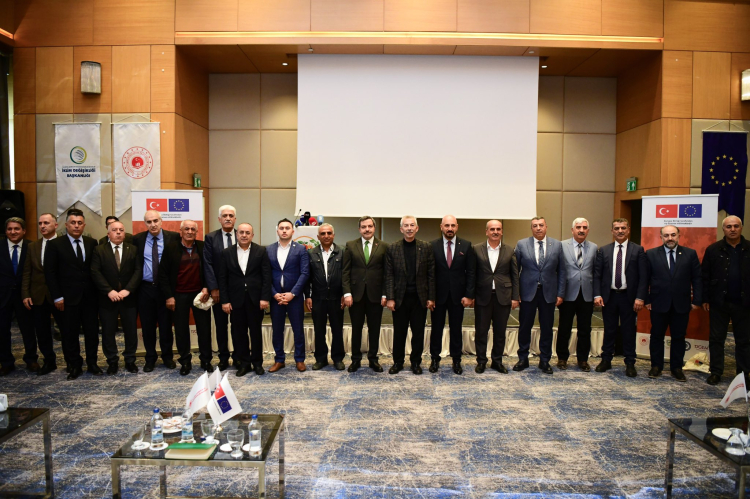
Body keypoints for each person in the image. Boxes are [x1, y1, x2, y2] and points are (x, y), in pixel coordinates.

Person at [44, 208, 100, 380]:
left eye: (79, 223)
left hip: (89, 298)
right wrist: (57, 296)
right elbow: (50, 273)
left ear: (84, 225)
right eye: (73, 223)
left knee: (92, 333)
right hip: (67, 299)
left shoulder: (92, 243)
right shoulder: (55, 245)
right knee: (69, 334)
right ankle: (74, 365)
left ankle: (92, 363)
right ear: (66, 225)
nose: (76, 226)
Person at [645, 225, 702, 382]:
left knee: (679, 337)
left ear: (678, 236)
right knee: (656, 336)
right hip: (658, 303)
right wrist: (646, 299)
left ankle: (676, 368)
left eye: (673, 235)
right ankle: (656, 366)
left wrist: (697, 300)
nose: (670, 238)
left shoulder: (690, 254)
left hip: (681, 303)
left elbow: (697, 278)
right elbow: (645, 278)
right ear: (661, 237)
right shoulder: (651, 254)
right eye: (666, 235)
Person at [593, 218, 647, 377]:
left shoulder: (638, 250)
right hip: (609, 297)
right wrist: (597, 294)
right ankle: (606, 360)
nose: (620, 231)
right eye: (616, 228)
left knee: (628, 331)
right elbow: (597, 275)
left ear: (628, 229)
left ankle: (630, 362)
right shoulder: (604, 250)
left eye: (623, 228)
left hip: (628, 298)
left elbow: (643, 277)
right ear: (612, 231)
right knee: (609, 330)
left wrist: (640, 297)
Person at [159, 219, 213, 375]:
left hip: (200, 295)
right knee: (181, 330)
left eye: (192, 229)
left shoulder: (203, 246)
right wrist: (169, 296)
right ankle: (185, 361)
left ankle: (206, 360)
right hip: (179, 295)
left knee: (204, 329)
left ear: (197, 232)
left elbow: (210, 269)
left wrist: (207, 288)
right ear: (181, 231)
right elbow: (163, 274)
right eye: (187, 229)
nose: (190, 232)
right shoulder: (171, 248)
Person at [514, 217, 565, 374]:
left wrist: (560, 293)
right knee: (525, 327)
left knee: (547, 328)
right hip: (527, 293)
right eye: (535, 226)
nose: (538, 228)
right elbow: (515, 270)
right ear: (531, 228)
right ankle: (523, 358)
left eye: (541, 225)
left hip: (548, 293)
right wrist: (516, 293)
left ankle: (545, 360)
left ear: (546, 227)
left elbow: (562, 271)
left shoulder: (557, 245)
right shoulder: (522, 244)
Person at [702, 216, 750, 385]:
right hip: (719, 302)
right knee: (716, 339)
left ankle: (743, 373)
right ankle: (716, 372)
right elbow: (705, 276)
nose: (732, 229)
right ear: (723, 229)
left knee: (744, 340)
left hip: (744, 303)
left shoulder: (749, 247)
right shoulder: (713, 249)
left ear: (741, 228)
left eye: (736, 226)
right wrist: (705, 298)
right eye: (729, 226)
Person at [218, 223, 271, 377]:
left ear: (252, 235)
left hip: (255, 299)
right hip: (235, 300)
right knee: (239, 333)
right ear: (237, 234)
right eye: (241, 232)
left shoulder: (261, 251)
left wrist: (265, 298)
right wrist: (225, 300)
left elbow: (266, 276)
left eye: (247, 232)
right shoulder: (227, 252)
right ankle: (244, 363)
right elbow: (223, 278)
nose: (244, 235)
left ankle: (257, 363)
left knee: (255, 333)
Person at [385, 216, 435, 375]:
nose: (409, 228)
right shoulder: (392, 248)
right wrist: (390, 298)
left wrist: (431, 297)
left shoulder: (426, 247)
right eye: (406, 226)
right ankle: (398, 362)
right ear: (401, 229)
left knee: (418, 333)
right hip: (400, 299)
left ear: (417, 228)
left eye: (412, 225)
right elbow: (389, 275)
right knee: (399, 333)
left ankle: (415, 362)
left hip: (419, 299)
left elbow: (431, 275)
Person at [91, 221, 142, 374]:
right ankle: (112, 361)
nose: (118, 232)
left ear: (125, 233)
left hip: (128, 298)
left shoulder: (133, 249)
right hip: (107, 298)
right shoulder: (99, 250)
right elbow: (95, 272)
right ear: (108, 234)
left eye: (121, 230)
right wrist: (109, 291)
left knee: (130, 331)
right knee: (108, 331)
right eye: (114, 230)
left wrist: (128, 290)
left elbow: (138, 271)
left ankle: (130, 360)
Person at [132, 210, 179, 372]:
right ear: (145, 223)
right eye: (149, 222)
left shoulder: (173, 237)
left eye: (155, 221)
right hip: (145, 289)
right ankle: (150, 358)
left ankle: (167, 357)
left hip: (165, 290)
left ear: (161, 221)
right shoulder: (137, 239)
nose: (152, 224)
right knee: (147, 326)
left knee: (166, 326)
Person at [429, 215, 475, 374]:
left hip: (458, 297)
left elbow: (471, 272)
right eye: (447, 225)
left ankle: (456, 360)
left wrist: (469, 295)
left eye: (453, 225)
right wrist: (430, 296)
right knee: (436, 329)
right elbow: (429, 274)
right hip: (438, 297)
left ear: (457, 227)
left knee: (456, 329)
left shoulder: (466, 245)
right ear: (441, 227)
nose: (450, 228)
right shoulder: (432, 246)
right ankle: (435, 359)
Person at [472, 220, 519, 374]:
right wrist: (471, 295)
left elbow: (514, 275)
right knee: (481, 332)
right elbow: (472, 274)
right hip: (482, 296)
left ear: (502, 231)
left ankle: (497, 362)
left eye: (498, 229)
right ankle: (481, 361)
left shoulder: (509, 250)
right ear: (486, 231)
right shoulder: (476, 249)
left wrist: (515, 297)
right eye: (492, 229)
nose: (495, 232)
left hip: (503, 297)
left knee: (500, 332)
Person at [342, 216, 388, 373]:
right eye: (363, 227)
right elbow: (345, 271)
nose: (367, 229)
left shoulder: (384, 246)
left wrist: (385, 294)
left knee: (374, 329)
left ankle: (373, 360)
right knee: (356, 329)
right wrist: (347, 293)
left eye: (369, 226)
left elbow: (387, 273)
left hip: (376, 296)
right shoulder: (350, 245)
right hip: (355, 296)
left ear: (374, 228)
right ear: (359, 229)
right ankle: (355, 360)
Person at [21, 213, 64, 375]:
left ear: (55, 225)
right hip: (38, 295)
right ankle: (49, 361)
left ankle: (72, 361)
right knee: (42, 331)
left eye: (46, 223)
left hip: (60, 296)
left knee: (66, 329)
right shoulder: (33, 246)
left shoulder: (63, 244)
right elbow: (27, 272)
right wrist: (25, 293)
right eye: (40, 223)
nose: (42, 226)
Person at [266, 218, 310, 373]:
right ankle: (279, 360)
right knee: (277, 330)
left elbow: (305, 273)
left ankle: (300, 360)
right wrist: (274, 294)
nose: (284, 230)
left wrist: (293, 293)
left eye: (287, 228)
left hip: (295, 298)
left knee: (298, 330)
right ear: (277, 230)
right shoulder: (269, 249)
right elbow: (265, 275)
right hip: (276, 298)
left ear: (293, 231)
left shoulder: (301, 249)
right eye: (281, 228)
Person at [556, 218, 598, 371]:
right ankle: (562, 358)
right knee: (564, 328)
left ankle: (583, 360)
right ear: (572, 230)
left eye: (584, 227)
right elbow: (557, 270)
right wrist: (558, 293)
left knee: (585, 329)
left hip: (586, 294)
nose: (581, 230)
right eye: (578, 227)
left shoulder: (594, 247)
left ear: (588, 230)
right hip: (567, 294)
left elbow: (596, 272)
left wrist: (596, 294)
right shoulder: (562, 245)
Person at [305, 223, 346, 371]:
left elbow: (346, 276)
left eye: (329, 233)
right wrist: (308, 296)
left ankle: (338, 358)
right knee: (319, 330)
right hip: (318, 298)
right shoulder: (311, 253)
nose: (326, 236)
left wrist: (345, 294)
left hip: (337, 298)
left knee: (337, 329)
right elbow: (307, 277)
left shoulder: (342, 252)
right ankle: (321, 359)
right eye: (323, 233)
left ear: (333, 235)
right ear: (318, 237)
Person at [203, 205, 238, 371]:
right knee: (221, 325)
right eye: (225, 216)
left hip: (238, 291)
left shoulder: (242, 235)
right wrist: (213, 288)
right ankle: (223, 357)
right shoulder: (210, 238)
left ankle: (238, 357)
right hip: (218, 290)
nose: (228, 218)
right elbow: (207, 264)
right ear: (219, 219)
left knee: (238, 326)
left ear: (235, 219)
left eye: (231, 215)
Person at [0, 218, 36, 376]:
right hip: (3, 296)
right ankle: (6, 362)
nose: (13, 232)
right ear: (5, 231)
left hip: (24, 296)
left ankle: (31, 359)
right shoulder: (0, 246)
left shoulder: (31, 246)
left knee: (28, 329)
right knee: (2, 330)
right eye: (10, 229)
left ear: (24, 231)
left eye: (16, 229)